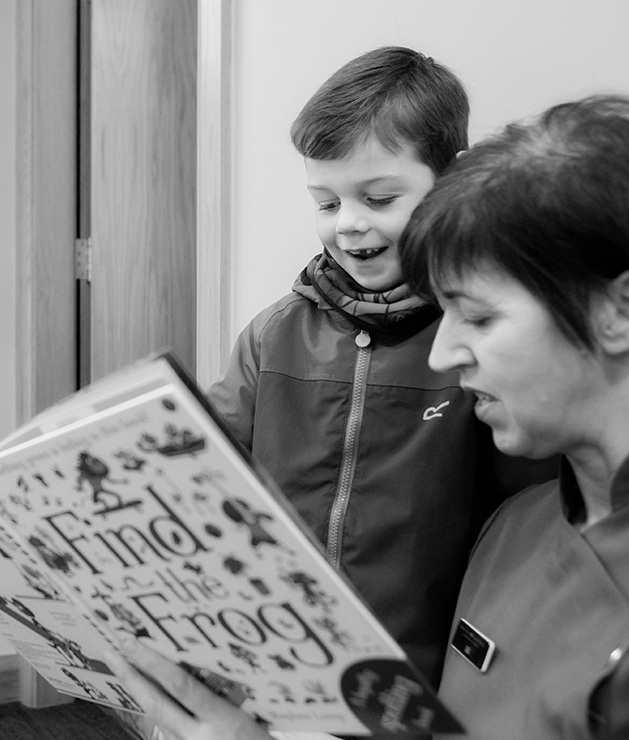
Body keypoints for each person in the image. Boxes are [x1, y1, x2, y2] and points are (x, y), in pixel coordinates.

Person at [109, 93, 629, 740]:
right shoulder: (515, 537)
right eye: (326, 203)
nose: (445, 351)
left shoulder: (524, 505)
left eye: (481, 316)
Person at [204, 46, 545, 688]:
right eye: (327, 204)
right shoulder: (274, 337)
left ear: (453, 181)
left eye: (380, 197)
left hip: (427, 683)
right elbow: (209, 478)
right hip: (281, 672)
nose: (350, 225)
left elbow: (529, 521)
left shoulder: (480, 342)